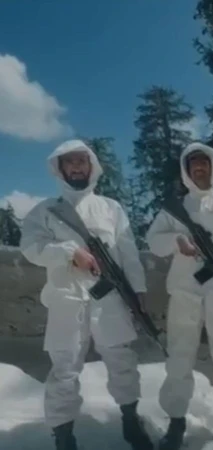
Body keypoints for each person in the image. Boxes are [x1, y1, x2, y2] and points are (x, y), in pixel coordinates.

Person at [19, 139, 153, 450]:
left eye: (82, 160)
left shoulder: (111, 208)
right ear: (60, 168)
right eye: (70, 161)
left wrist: (138, 290)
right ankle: (63, 436)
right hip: (66, 299)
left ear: (91, 166)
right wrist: (69, 253)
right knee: (64, 370)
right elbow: (31, 248)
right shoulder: (45, 211)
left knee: (122, 361)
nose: (76, 166)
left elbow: (128, 253)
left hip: (110, 298)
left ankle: (131, 422)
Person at [145, 142, 213, 450]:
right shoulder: (176, 208)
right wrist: (177, 240)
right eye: (193, 163)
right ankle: (176, 421)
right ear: (186, 170)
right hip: (185, 292)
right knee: (179, 356)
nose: (199, 168)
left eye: (203, 162)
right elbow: (153, 240)